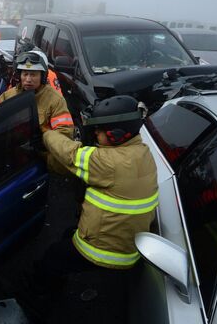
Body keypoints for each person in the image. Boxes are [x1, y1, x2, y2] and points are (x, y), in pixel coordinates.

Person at [29, 95, 158, 313]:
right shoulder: (142, 152)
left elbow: (68, 153)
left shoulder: (107, 163)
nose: (95, 134)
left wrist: (46, 133)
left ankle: (40, 301)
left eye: (99, 130)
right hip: (128, 244)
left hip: (104, 251)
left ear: (116, 135)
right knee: (68, 234)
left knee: (50, 260)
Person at [0, 50, 74, 174]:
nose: (28, 79)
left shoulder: (55, 99)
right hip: (11, 154)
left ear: (43, 76)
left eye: (33, 74)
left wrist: (42, 142)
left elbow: (65, 133)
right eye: (25, 73)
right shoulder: (9, 95)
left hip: (38, 159)